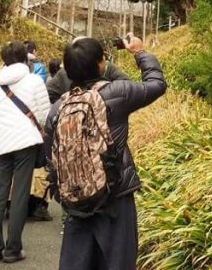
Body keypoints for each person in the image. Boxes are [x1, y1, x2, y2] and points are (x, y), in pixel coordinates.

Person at [45, 34, 165, 270]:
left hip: (76, 201)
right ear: (102, 63)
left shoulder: (58, 109)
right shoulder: (117, 93)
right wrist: (139, 52)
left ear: (67, 71)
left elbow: (51, 157)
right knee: (117, 261)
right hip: (114, 195)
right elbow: (156, 84)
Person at [0, 41, 50, 264]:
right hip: (26, 141)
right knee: (20, 194)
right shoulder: (34, 80)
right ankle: (13, 249)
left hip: (2, 142)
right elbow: (44, 114)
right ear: (26, 57)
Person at [46, 47, 129, 105]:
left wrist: (106, 99)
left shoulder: (108, 68)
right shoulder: (64, 73)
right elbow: (49, 92)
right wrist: (65, 105)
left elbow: (126, 84)